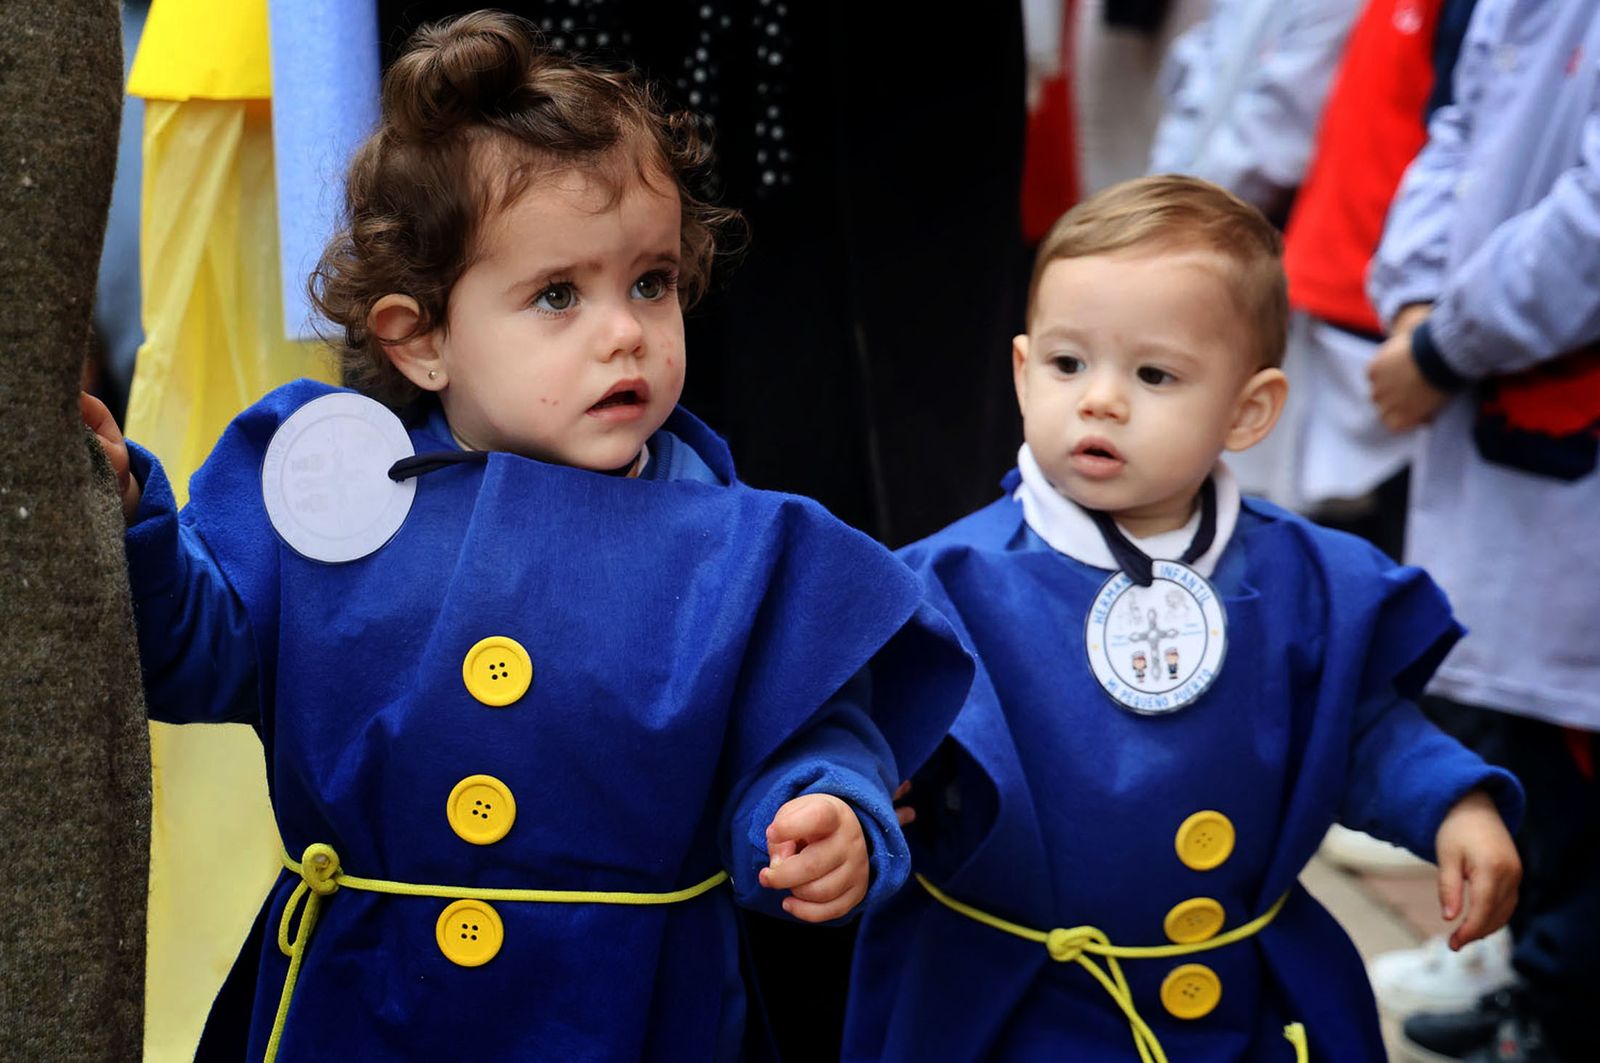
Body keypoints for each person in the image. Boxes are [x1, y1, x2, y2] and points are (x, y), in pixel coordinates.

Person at [79, 13, 972, 1060]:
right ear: (420, 342)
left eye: (650, 281)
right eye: (557, 295)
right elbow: (192, 653)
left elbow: (807, 735)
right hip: (362, 1009)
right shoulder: (330, 489)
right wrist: (130, 520)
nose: (625, 329)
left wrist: (826, 812)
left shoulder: (744, 548)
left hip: (632, 1015)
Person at [842, 175, 1523, 1062]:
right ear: (1021, 371)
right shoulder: (945, 584)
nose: (1101, 399)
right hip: (1012, 1006)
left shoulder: (1308, 580)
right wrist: (850, 792)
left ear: (1249, 409)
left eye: (1154, 373)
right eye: (1067, 363)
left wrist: (1453, 801)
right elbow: (864, 738)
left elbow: (1361, 730)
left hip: (1241, 997)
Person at [1366, 2, 1600, 1058]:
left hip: (1547, 399)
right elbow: (1453, 123)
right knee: (1531, 734)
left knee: (1578, 745)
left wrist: (1444, 343)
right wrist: (1416, 303)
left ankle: (1563, 1002)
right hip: (1486, 399)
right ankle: (1546, 986)